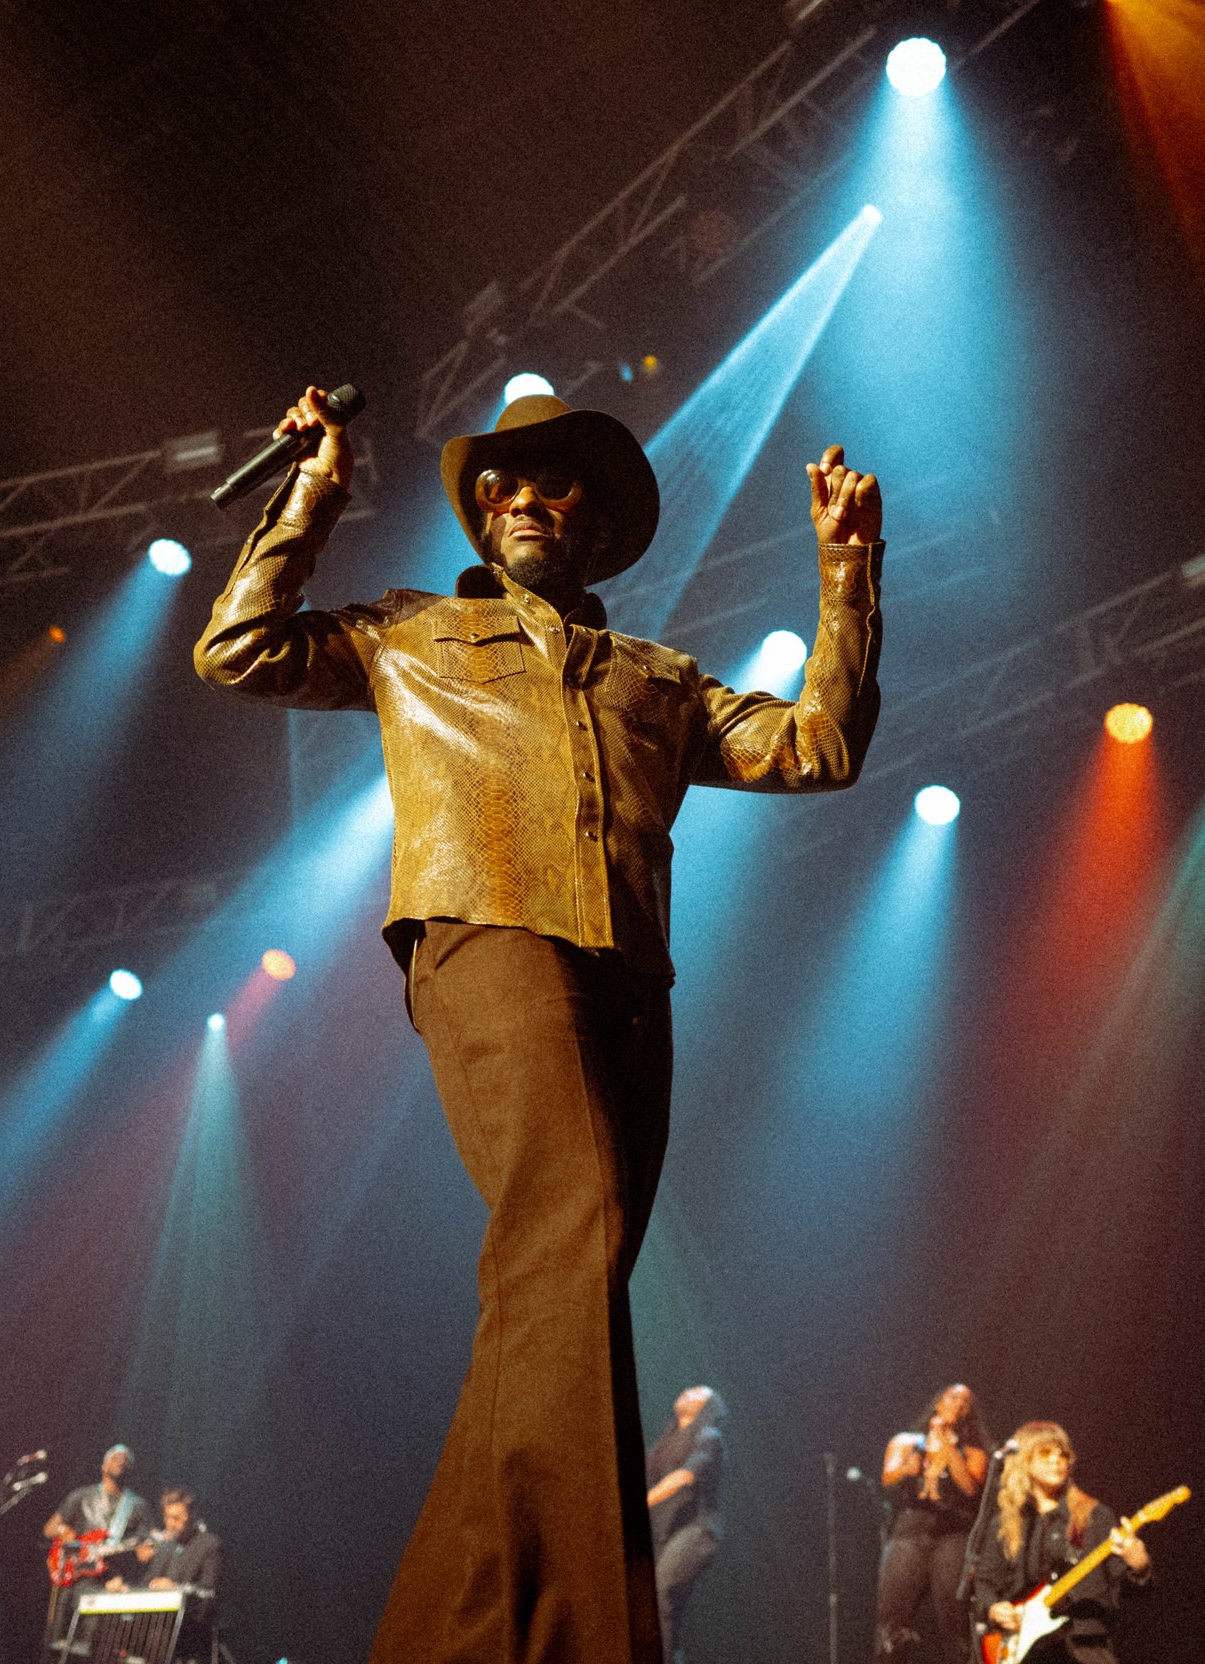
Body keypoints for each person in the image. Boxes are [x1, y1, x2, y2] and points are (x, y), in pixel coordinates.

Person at [196, 387, 884, 1664]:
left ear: (594, 517)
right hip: (483, 932)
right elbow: (238, 647)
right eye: (496, 483)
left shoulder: (659, 679)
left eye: (547, 479)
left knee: (569, 1273)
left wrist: (847, 577)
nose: (517, 496)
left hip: (629, 981)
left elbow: (818, 745)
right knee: (571, 1221)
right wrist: (316, 490)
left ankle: (455, 1630)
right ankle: (580, 1635)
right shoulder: (411, 630)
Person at [969, 1423, 1149, 1664]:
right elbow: (985, 1583)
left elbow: (1130, 1590)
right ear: (1024, 1460)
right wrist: (993, 1609)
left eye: (1063, 1454)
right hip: (1020, 1650)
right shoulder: (1005, 1523)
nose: (1056, 1460)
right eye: (1045, 1453)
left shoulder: (1095, 1516)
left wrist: (1139, 1565)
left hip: (1083, 1646)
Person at [874, 1384, 990, 1663]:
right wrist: (908, 1467)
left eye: (966, 1403)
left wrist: (947, 1445)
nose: (958, 1404)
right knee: (892, 1619)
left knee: (954, 1617)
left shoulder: (974, 1453)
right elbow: (888, 1480)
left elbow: (970, 1488)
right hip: (909, 1530)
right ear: (938, 1402)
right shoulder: (906, 1442)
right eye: (953, 1397)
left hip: (953, 1533)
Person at [44, 1444, 158, 1650]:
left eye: (126, 1460)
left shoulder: (138, 1506)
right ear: (103, 1466)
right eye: (115, 1457)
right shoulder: (81, 1496)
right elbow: (49, 1528)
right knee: (59, 1642)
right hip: (75, 1576)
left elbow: (148, 1545)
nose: (121, 1461)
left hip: (112, 1579)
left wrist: (147, 1550)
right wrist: (63, 1531)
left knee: (94, 1642)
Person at [644, 1386, 727, 1663]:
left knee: (661, 1590)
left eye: (697, 1394)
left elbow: (685, 1477)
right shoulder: (668, 1440)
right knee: (667, 1610)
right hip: (672, 1533)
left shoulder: (710, 1437)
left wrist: (647, 1500)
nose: (687, 1393)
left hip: (699, 1530)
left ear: (706, 1407)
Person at [132, 1486, 223, 1660]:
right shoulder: (165, 1547)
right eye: (167, 1517)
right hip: (157, 1628)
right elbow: (147, 1582)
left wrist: (176, 1588)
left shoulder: (210, 1544)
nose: (170, 1524)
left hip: (190, 1629)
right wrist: (126, 1591)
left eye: (176, 1518)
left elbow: (209, 1591)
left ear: (193, 1515)